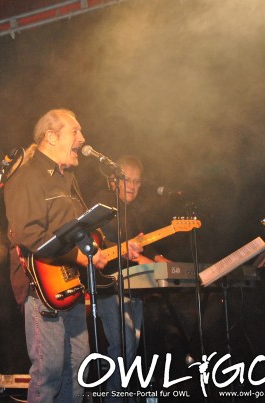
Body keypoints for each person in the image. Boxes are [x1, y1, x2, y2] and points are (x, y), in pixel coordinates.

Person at [4, 109, 142, 402]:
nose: (82, 138)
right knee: (49, 371)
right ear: (51, 137)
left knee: (79, 370)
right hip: (41, 288)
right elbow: (29, 233)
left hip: (72, 288)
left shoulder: (67, 178)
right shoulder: (27, 175)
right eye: (75, 131)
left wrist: (115, 248)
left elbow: (82, 232)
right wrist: (79, 257)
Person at [90, 155, 171, 401]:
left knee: (131, 348)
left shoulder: (132, 212)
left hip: (133, 288)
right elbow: (102, 241)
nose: (133, 186)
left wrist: (157, 257)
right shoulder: (102, 204)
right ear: (113, 180)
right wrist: (137, 255)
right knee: (122, 346)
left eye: (137, 181)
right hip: (108, 285)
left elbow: (139, 242)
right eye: (127, 180)